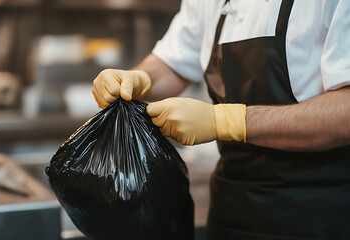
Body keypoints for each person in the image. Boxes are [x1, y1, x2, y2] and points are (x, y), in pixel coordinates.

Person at [92, 0, 350, 239]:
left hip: (318, 216)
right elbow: (174, 62)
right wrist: (139, 78)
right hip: (229, 214)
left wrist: (229, 121)